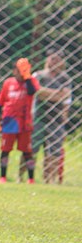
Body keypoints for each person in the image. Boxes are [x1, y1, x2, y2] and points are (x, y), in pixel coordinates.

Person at [0, 58, 40, 184]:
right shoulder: (8, 83)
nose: (21, 73)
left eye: (24, 70)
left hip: (25, 122)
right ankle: (3, 177)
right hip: (9, 120)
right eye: (19, 70)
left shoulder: (31, 82)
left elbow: (32, 92)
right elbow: (0, 101)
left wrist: (27, 76)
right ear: (14, 71)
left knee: (27, 151)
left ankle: (31, 178)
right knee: (5, 149)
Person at [32, 50, 72, 184]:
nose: (53, 61)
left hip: (57, 119)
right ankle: (29, 178)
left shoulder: (65, 78)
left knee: (54, 152)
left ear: (61, 62)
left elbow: (65, 96)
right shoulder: (38, 75)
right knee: (33, 148)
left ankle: (49, 180)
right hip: (39, 117)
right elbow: (37, 92)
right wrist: (56, 94)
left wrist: (47, 93)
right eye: (51, 58)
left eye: (56, 59)